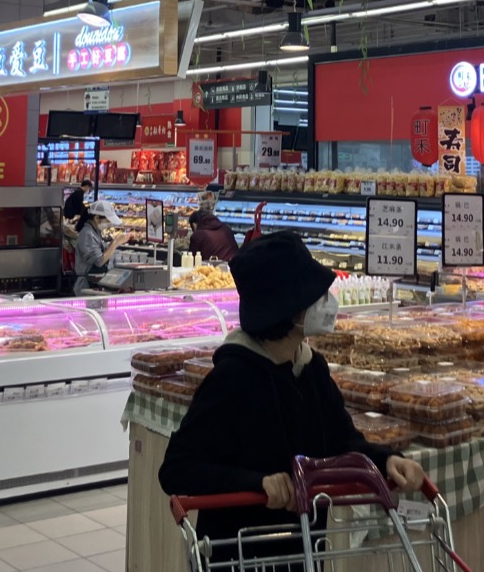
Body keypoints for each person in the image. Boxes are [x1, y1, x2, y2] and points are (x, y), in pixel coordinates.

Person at [159, 231, 426, 566]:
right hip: (240, 555)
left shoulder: (311, 367)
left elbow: (342, 441)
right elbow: (177, 469)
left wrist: (386, 460)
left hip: (303, 548)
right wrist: (256, 483)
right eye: (317, 295)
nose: (328, 301)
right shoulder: (232, 378)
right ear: (289, 307)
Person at [72, 199, 131, 293]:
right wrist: (115, 242)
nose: (109, 224)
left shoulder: (95, 231)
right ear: (96, 218)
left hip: (93, 284)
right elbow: (99, 261)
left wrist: (114, 243)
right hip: (86, 285)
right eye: (107, 220)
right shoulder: (87, 234)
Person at [187, 194, 237, 262]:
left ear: (194, 225)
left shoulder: (198, 236)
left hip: (211, 267)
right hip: (233, 266)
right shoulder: (226, 229)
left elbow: (192, 261)